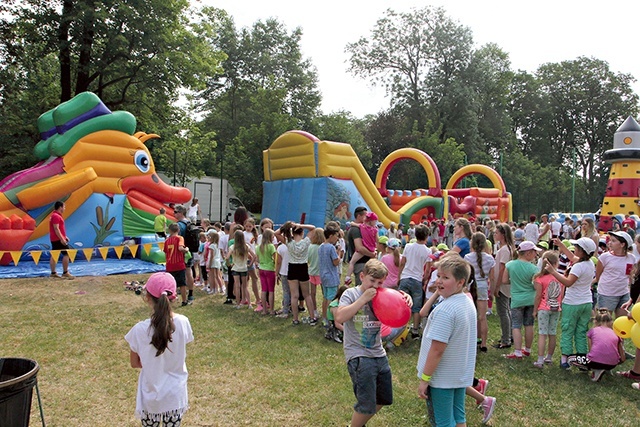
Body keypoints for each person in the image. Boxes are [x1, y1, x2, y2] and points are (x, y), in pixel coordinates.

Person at [335, 259, 412, 427]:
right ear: (362, 276)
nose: (376, 286)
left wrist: (406, 298)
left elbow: (397, 303)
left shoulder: (382, 295)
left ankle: (358, 423)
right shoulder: (351, 294)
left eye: (380, 282)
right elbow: (339, 317)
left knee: (384, 398)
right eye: (372, 281)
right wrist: (362, 300)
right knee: (366, 403)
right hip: (359, 356)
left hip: (379, 354)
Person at [124, 272, 193, 426]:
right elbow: (182, 345)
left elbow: (134, 363)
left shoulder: (140, 329)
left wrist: (151, 362)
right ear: (174, 297)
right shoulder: (183, 322)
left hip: (151, 396)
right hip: (175, 396)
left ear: (147, 297)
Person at [417, 256, 478, 427]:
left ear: (460, 282)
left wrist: (425, 378)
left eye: (445, 277)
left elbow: (437, 350)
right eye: (438, 276)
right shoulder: (466, 300)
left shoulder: (445, 310)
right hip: (458, 373)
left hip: (441, 378)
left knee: (443, 422)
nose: (439, 282)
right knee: (459, 417)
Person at [544, 237, 597, 369]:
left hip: (573, 302)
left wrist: (553, 271)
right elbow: (572, 257)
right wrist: (561, 245)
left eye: (577, 248)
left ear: (582, 251)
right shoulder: (589, 263)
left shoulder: (577, 267)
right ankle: (581, 359)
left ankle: (565, 360)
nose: (574, 249)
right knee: (581, 330)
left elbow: (568, 282)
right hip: (586, 302)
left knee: (567, 329)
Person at [502, 241, 541, 359]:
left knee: (516, 325)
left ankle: (518, 351)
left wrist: (514, 281)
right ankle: (528, 349)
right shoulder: (534, 268)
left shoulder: (509, 265)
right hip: (531, 299)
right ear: (528, 253)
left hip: (517, 299)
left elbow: (504, 280)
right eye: (534, 252)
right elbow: (536, 285)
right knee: (529, 324)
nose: (536, 255)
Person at [275, 221, 318, 325]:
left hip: (292, 268)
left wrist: (287, 225)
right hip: (303, 267)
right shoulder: (306, 242)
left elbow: (275, 233)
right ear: (302, 233)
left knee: (294, 296)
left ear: (292, 233)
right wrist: (301, 225)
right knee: (307, 295)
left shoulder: (289, 242)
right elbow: (313, 228)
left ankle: (295, 319)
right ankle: (312, 318)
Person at [569, 308, 625, 381]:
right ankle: (606, 369)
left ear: (595, 321)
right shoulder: (616, 334)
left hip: (595, 362)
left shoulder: (592, 331)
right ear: (611, 321)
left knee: (570, 358)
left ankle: (597, 370)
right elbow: (623, 358)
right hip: (612, 364)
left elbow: (591, 350)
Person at [398, 224, 432, 340]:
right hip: (417, 279)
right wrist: (424, 279)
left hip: (405, 276)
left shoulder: (408, 246)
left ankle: (399, 327)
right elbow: (427, 269)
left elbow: (402, 262)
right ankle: (415, 330)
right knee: (416, 307)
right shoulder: (428, 251)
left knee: (401, 304)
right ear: (427, 236)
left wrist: (399, 275)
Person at [464, 232, 495, 353]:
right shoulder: (490, 258)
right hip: (482, 286)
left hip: (471, 286)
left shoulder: (467, 257)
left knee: (471, 316)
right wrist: (492, 292)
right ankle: (483, 343)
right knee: (482, 317)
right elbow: (492, 278)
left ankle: (472, 339)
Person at [532, 251, 563, 368]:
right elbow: (562, 295)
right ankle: (549, 357)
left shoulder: (540, 278)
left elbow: (538, 296)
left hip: (544, 307)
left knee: (542, 333)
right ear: (556, 264)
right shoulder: (560, 278)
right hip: (556, 307)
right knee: (552, 332)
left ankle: (540, 360)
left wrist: (535, 310)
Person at [595, 230, 635, 317]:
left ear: (622, 244)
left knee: (623, 319)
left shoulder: (631, 258)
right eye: (610, 240)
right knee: (604, 320)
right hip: (607, 293)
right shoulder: (605, 257)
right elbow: (598, 274)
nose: (610, 243)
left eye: (613, 241)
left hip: (624, 293)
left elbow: (630, 275)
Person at [492, 223, 516, 349]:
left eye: (496, 233)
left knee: (503, 311)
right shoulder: (505, 248)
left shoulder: (505, 250)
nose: (494, 235)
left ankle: (506, 339)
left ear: (502, 234)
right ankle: (509, 335)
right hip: (503, 284)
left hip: (502, 285)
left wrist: (497, 286)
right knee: (506, 310)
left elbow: (502, 269)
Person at [345, 211, 379, 285]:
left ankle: (347, 277)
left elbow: (352, 224)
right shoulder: (375, 230)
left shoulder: (362, 227)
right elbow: (377, 240)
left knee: (352, 262)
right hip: (372, 249)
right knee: (372, 267)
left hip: (363, 249)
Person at [318, 227, 342, 325]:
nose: (337, 238)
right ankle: (329, 319)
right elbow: (336, 262)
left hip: (323, 275)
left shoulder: (321, 246)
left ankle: (324, 317)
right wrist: (339, 253)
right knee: (331, 299)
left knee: (325, 297)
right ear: (331, 236)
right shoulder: (331, 247)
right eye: (336, 236)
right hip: (331, 276)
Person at [227, 229, 255, 309]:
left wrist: (229, 264)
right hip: (244, 268)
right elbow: (254, 256)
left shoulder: (232, 247)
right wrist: (250, 264)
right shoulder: (246, 246)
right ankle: (249, 304)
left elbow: (227, 257)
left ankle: (238, 304)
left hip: (236, 268)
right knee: (245, 287)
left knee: (237, 286)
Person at [164, 223, 189, 306]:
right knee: (182, 283)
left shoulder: (167, 241)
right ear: (178, 230)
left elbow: (165, 253)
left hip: (169, 265)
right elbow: (180, 248)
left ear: (169, 230)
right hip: (179, 264)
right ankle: (184, 301)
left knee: (170, 284)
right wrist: (186, 249)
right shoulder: (180, 238)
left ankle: (169, 300)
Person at [49, 201, 74, 279]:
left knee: (54, 254)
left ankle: (53, 272)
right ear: (60, 207)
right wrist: (62, 239)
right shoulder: (56, 216)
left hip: (56, 238)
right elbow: (56, 228)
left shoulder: (55, 215)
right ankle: (65, 272)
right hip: (57, 239)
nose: (64, 208)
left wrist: (64, 236)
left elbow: (59, 229)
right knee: (67, 253)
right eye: (64, 207)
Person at [255, 228, 277, 315]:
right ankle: (271, 310)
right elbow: (275, 258)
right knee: (271, 290)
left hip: (262, 269)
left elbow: (257, 259)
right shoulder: (271, 246)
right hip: (270, 269)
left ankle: (264, 310)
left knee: (264, 290)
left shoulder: (258, 247)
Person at [205, 230, 224, 294]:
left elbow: (211, 256)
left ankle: (214, 289)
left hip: (213, 262)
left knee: (213, 276)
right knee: (218, 276)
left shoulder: (211, 246)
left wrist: (209, 263)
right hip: (217, 261)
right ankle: (221, 288)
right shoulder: (217, 245)